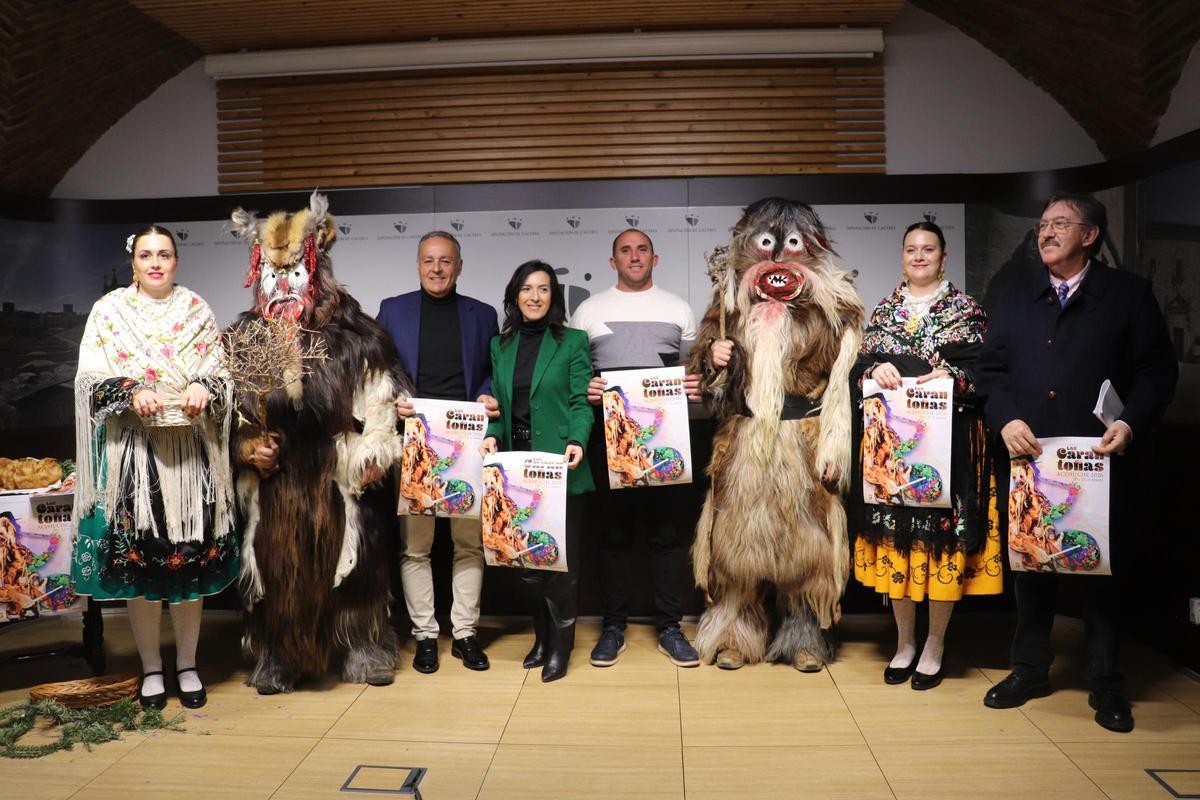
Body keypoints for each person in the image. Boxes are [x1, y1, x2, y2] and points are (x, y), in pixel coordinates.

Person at [976, 192, 1177, 732]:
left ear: (1090, 236)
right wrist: (1005, 420)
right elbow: (989, 371)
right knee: (1032, 567)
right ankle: (1029, 670)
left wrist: (1129, 422)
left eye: (1059, 224)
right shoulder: (1016, 293)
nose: (1045, 232)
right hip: (1030, 457)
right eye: (1042, 224)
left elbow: (1157, 371)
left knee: (1102, 574)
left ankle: (1107, 683)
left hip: (1100, 460)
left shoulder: (1128, 295)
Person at [229, 192, 409, 695]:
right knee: (276, 564)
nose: (283, 285)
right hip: (280, 479)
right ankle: (279, 653)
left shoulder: (359, 336)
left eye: (294, 273)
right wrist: (249, 448)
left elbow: (382, 399)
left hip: (340, 475)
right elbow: (231, 415)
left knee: (356, 564)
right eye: (273, 274)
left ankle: (362, 644)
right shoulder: (245, 339)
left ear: (317, 270)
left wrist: (375, 452)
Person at [72, 225, 237, 710]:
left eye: (164, 254)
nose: (156, 263)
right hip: (135, 456)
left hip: (189, 456)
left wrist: (204, 386)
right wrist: (130, 390)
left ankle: (187, 664)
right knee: (139, 566)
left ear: (176, 261)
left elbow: (220, 372)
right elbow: (89, 377)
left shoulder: (196, 309)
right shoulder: (109, 312)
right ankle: (150, 668)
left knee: (189, 562)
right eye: (146, 255)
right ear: (133, 263)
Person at [849, 221, 1001, 691]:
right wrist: (876, 369)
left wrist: (952, 376)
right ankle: (905, 643)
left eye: (928, 249)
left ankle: (935, 644)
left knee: (942, 547)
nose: (919, 256)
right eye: (911, 249)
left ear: (943, 256)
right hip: (892, 453)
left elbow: (987, 372)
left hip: (949, 451)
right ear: (902, 257)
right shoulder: (885, 309)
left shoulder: (966, 310)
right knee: (898, 544)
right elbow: (858, 372)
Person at [569, 229, 701, 668]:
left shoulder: (678, 308)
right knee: (614, 536)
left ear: (655, 258)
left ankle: (670, 628)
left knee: (666, 535)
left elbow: (692, 372)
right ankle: (613, 628)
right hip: (610, 439)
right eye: (625, 251)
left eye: (642, 249)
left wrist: (695, 384)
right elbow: (575, 375)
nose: (634, 256)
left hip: (666, 440)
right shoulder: (588, 310)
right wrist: (586, 388)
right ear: (613, 262)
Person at [377, 230, 500, 673]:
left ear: (459, 266)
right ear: (418, 265)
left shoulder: (482, 315)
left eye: (446, 260)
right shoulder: (393, 310)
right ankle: (425, 635)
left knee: (469, 544)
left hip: (467, 441)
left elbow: (491, 372)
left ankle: (465, 634)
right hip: (415, 442)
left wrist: (487, 394)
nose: (437, 268)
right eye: (429, 260)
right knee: (416, 547)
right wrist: (393, 398)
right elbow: (378, 372)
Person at [480, 260, 594, 681]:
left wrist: (577, 439)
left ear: (553, 297)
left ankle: (560, 649)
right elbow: (500, 407)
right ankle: (542, 639)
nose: (534, 296)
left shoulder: (573, 341)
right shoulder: (500, 345)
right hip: (516, 466)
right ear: (515, 295)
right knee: (527, 563)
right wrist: (492, 435)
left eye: (543, 289)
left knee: (560, 564)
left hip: (559, 464)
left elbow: (580, 402)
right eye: (527, 288)